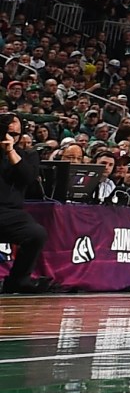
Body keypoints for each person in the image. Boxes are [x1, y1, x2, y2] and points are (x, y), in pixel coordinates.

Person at [0, 115, 47, 293]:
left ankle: (18, 280)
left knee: (36, 233)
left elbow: (27, 178)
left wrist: (10, 151)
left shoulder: (28, 154)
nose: (11, 137)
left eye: (15, 134)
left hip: (11, 213)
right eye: (7, 133)